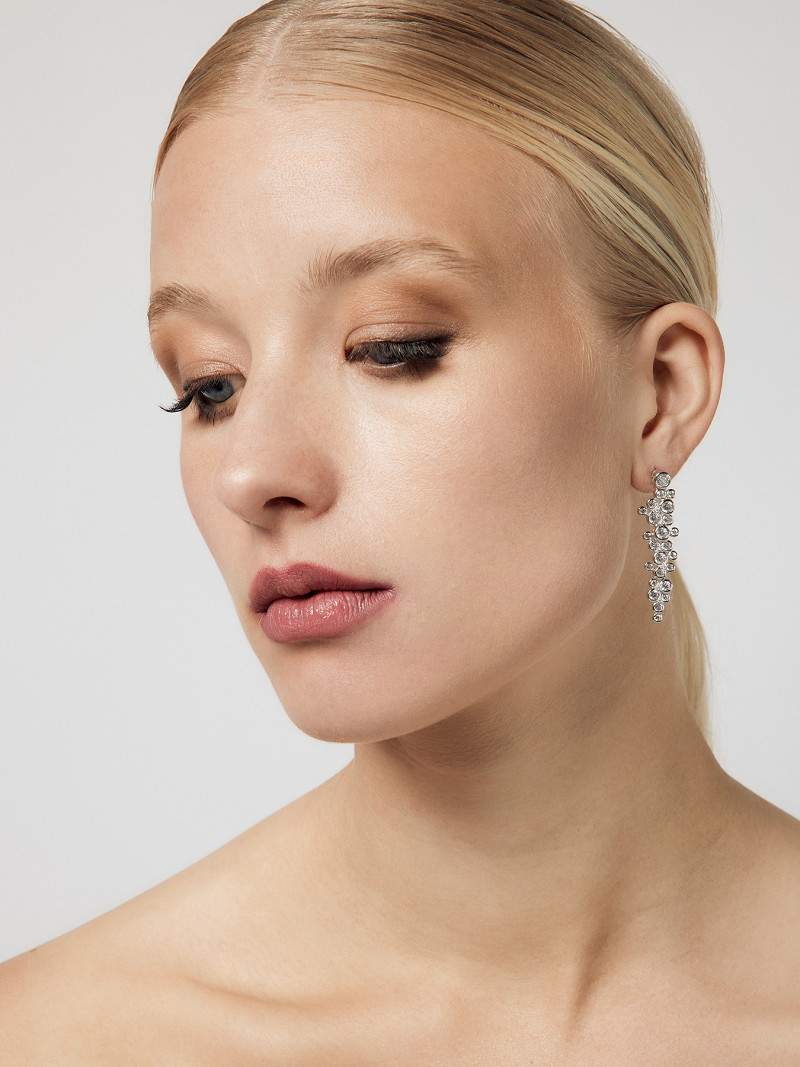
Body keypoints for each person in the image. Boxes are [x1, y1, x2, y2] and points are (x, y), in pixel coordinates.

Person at [3, 0, 799, 1061]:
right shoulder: (57, 1035)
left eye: (391, 346)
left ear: (659, 393)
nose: (252, 472)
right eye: (210, 386)